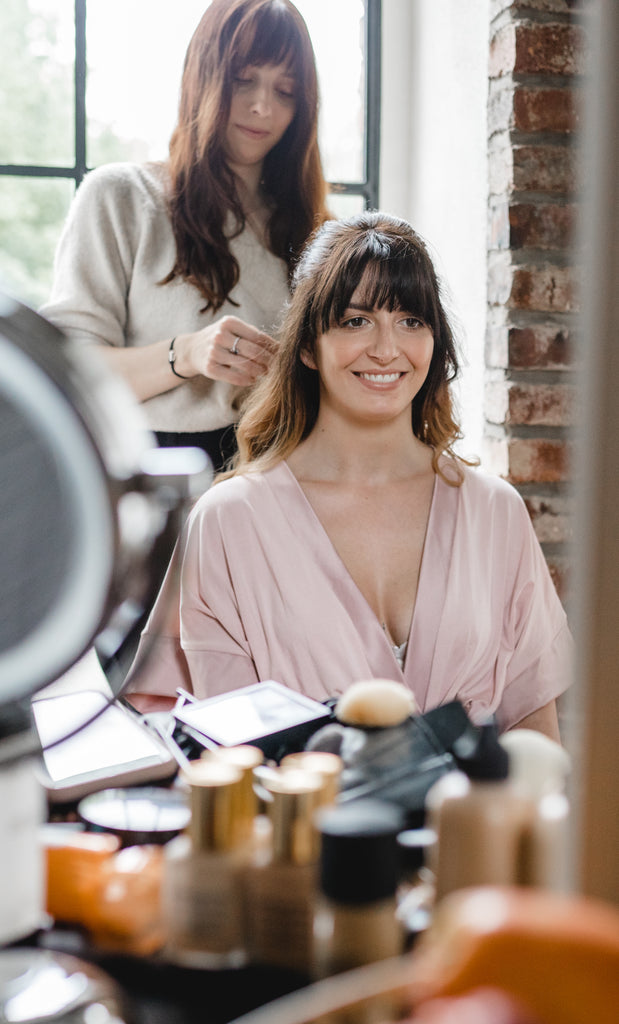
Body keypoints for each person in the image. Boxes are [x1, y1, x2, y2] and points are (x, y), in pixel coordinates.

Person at [125, 212, 572, 741]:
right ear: (309, 346)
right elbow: (214, 749)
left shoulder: (496, 512)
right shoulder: (228, 523)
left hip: (470, 824)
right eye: (355, 321)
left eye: (411, 320)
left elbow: (534, 732)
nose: (387, 349)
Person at [41, 0, 330, 471]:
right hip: (151, 475)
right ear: (204, 76)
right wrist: (186, 353)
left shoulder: (310, 228)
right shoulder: (122, 197)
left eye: (286, 91)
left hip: (276, 474)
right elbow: (71, 373)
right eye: (245, 80)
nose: (263, 106)